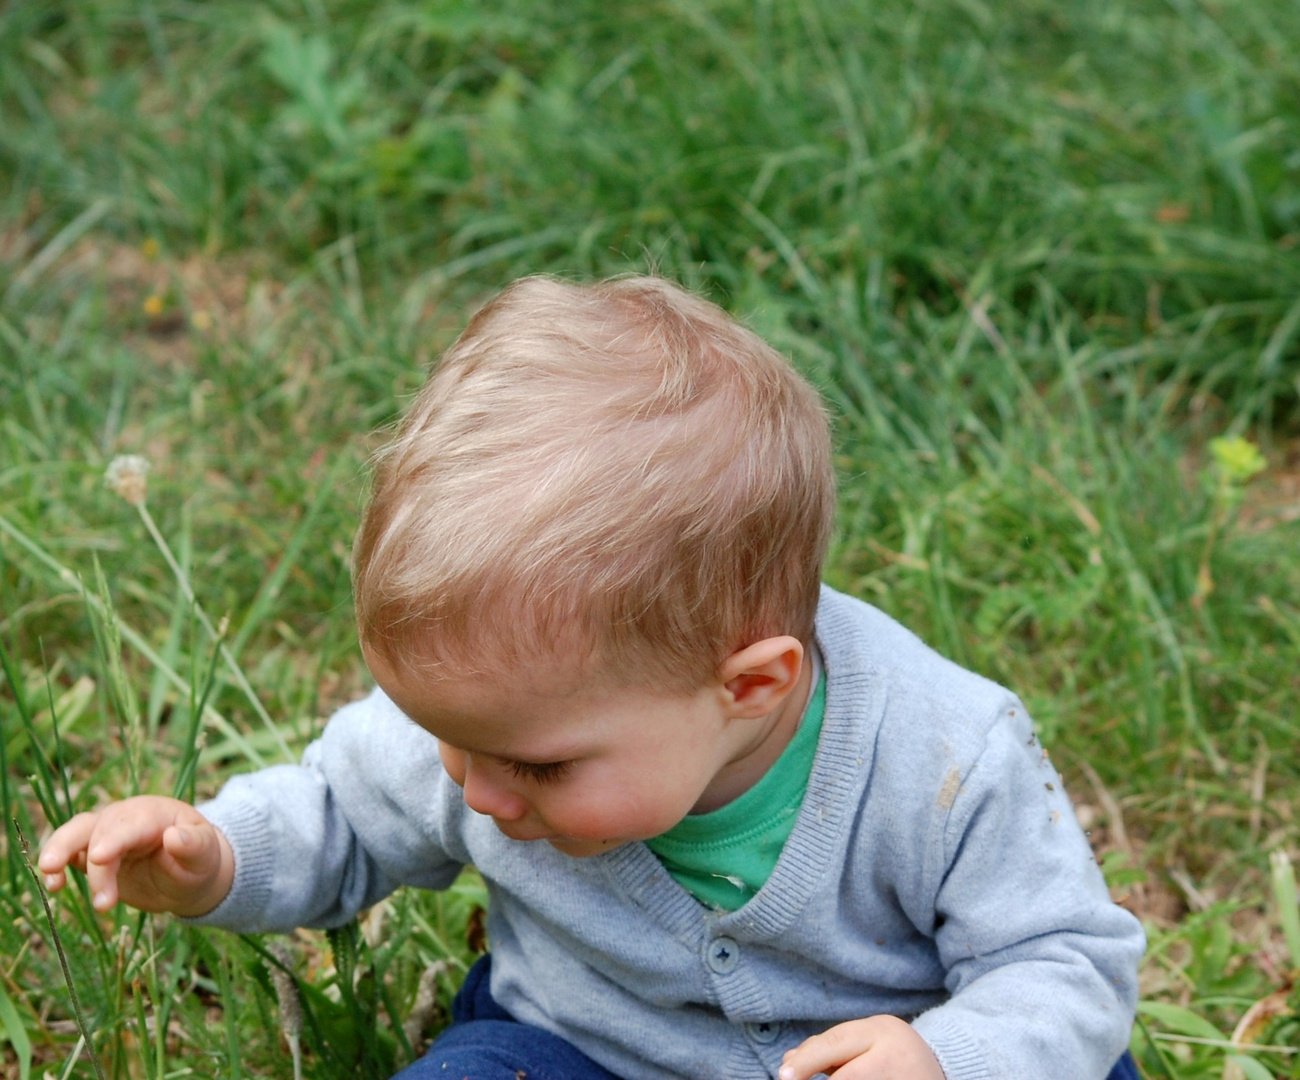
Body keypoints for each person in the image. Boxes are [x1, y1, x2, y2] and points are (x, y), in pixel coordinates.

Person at [40, 275, 1145, 1080]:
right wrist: (213, 856)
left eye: (536, 765)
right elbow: (340, 811)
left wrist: (947, 1058)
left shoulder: (943, 757)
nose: (476, 791)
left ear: (749, 688)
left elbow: (1066, 961)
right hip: (577, 1053)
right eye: (452, 741)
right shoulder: (491, 730)